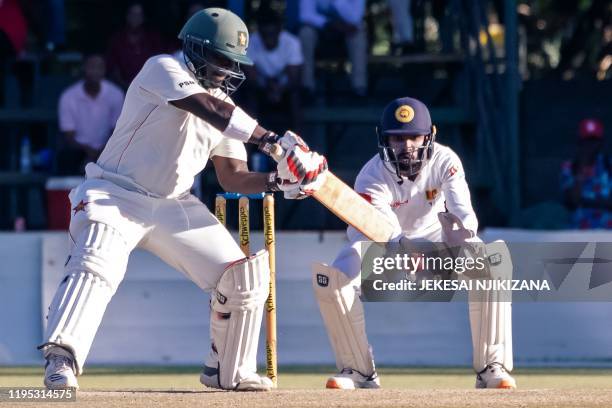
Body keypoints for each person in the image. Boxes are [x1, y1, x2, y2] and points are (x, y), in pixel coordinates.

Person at [38, 8, 327, 392]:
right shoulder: (162, 68)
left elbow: (232, 177)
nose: (226, 70)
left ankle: (228, 369)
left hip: (174, 204)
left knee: (243, 274)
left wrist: (278, 182)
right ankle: (62, 359)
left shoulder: (228, 109)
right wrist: (274, 142)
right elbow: (209, 109)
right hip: (115, 194)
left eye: (234, 63)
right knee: (98, 261)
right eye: (221, 59)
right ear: (195, 49)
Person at [312, 97, 516, 390]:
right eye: (397, 138)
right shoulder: (371, 176)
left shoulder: (446, 161)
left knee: (492, 260)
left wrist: (462, 235)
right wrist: (404, 249)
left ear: (429, 136)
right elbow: (387, 233)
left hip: (434, 241)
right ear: (384, 139)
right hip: (380, 246)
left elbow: (464, 214)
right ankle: (358, 370)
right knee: (336, 278)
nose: (406, 145)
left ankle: (491, 367)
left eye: (413, 137)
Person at [57, 53, 125, 174]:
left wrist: (101, 153)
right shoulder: (68, 97)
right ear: (84, 68)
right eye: (91, 67)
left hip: (108, 150)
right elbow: (68, 136)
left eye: (99, 67)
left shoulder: (116, 94)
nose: (95, 71)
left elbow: (117, 131)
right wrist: (89, 153)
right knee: (65, 156)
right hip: (78, 151)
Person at [243, 7, 303, 130]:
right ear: (259, 31)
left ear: (279, 30)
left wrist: (279, 90)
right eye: (265, 34)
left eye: (272, 33)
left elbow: (294, 78)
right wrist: (268, 88)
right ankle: (249, 143)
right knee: (249, 96)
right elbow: (251, 76)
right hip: (261, 89)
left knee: (296, 97)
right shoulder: (251, 42)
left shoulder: (292, 43)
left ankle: (298, 143)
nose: (268, 38)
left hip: (285, 90)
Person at [299, 0, 368, 97]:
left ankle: (359, 87)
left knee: (358, 34)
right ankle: (307, 87)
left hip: (346, 31)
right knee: (305, 33)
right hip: (321, 31)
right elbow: (305, 15)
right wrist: (329, 23)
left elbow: (356, 18)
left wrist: (337, 1)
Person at [561, 118, 611, 229]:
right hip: (578, 232)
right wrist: (581, 170)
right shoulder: (569, 167)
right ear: (579, 142)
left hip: (607, 230)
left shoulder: (608, 165)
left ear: (600, 143)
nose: (590, 145)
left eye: (594, 140)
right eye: (586, 140)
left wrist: (586, 202)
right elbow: (572, 201)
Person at [106, 1, 166, 89]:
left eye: (139, 15)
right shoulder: (117, 39)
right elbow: (112, 66)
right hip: (122, 87)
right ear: (127, 16)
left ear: (143, 17)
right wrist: (124, 86)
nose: (135, 18)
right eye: (133, 14)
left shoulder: (153, 38)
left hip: (149, 87)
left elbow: (159, 63)